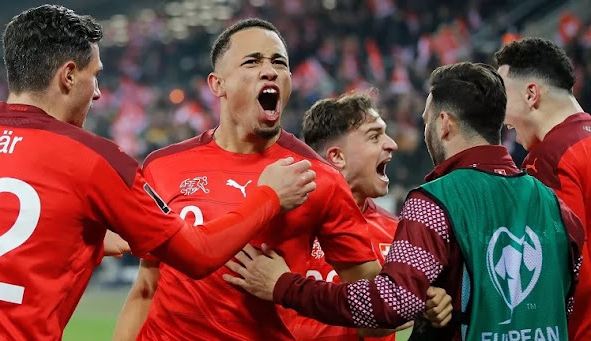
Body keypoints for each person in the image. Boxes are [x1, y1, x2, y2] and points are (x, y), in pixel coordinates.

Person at [0, 6, 317, 340]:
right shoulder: (94, 158)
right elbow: (199, 255)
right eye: (95, 77)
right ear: (68, 76)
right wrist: (268, 196)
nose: (97, 94)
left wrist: (81, 241)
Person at [224, 62, 585, 340]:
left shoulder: (432, 205)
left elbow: (392, 303)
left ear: (443, 124)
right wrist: (439, 307)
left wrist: (285, 286)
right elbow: (565, 304)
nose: (395, 143)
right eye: (375, 135)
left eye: (426, 120)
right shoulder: (557, 207)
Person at [113, 18, 384, 341]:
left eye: (278, 62)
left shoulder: (316, 178)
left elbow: (377, 307)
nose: (269, 70)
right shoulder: (163, 166)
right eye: (252, 61)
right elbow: (146, 289)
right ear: (218, 84)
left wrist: (290, 289)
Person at [494, 37, 591, 341]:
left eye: (503, 97)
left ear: (531, 93)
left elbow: (570, 268)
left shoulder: (548, 158)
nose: (502, 117)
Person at [292, 91, 402, 341]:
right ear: (337, 157)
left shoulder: (397, 231)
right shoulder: (288, 225)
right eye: (375, 136)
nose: (392, 144)